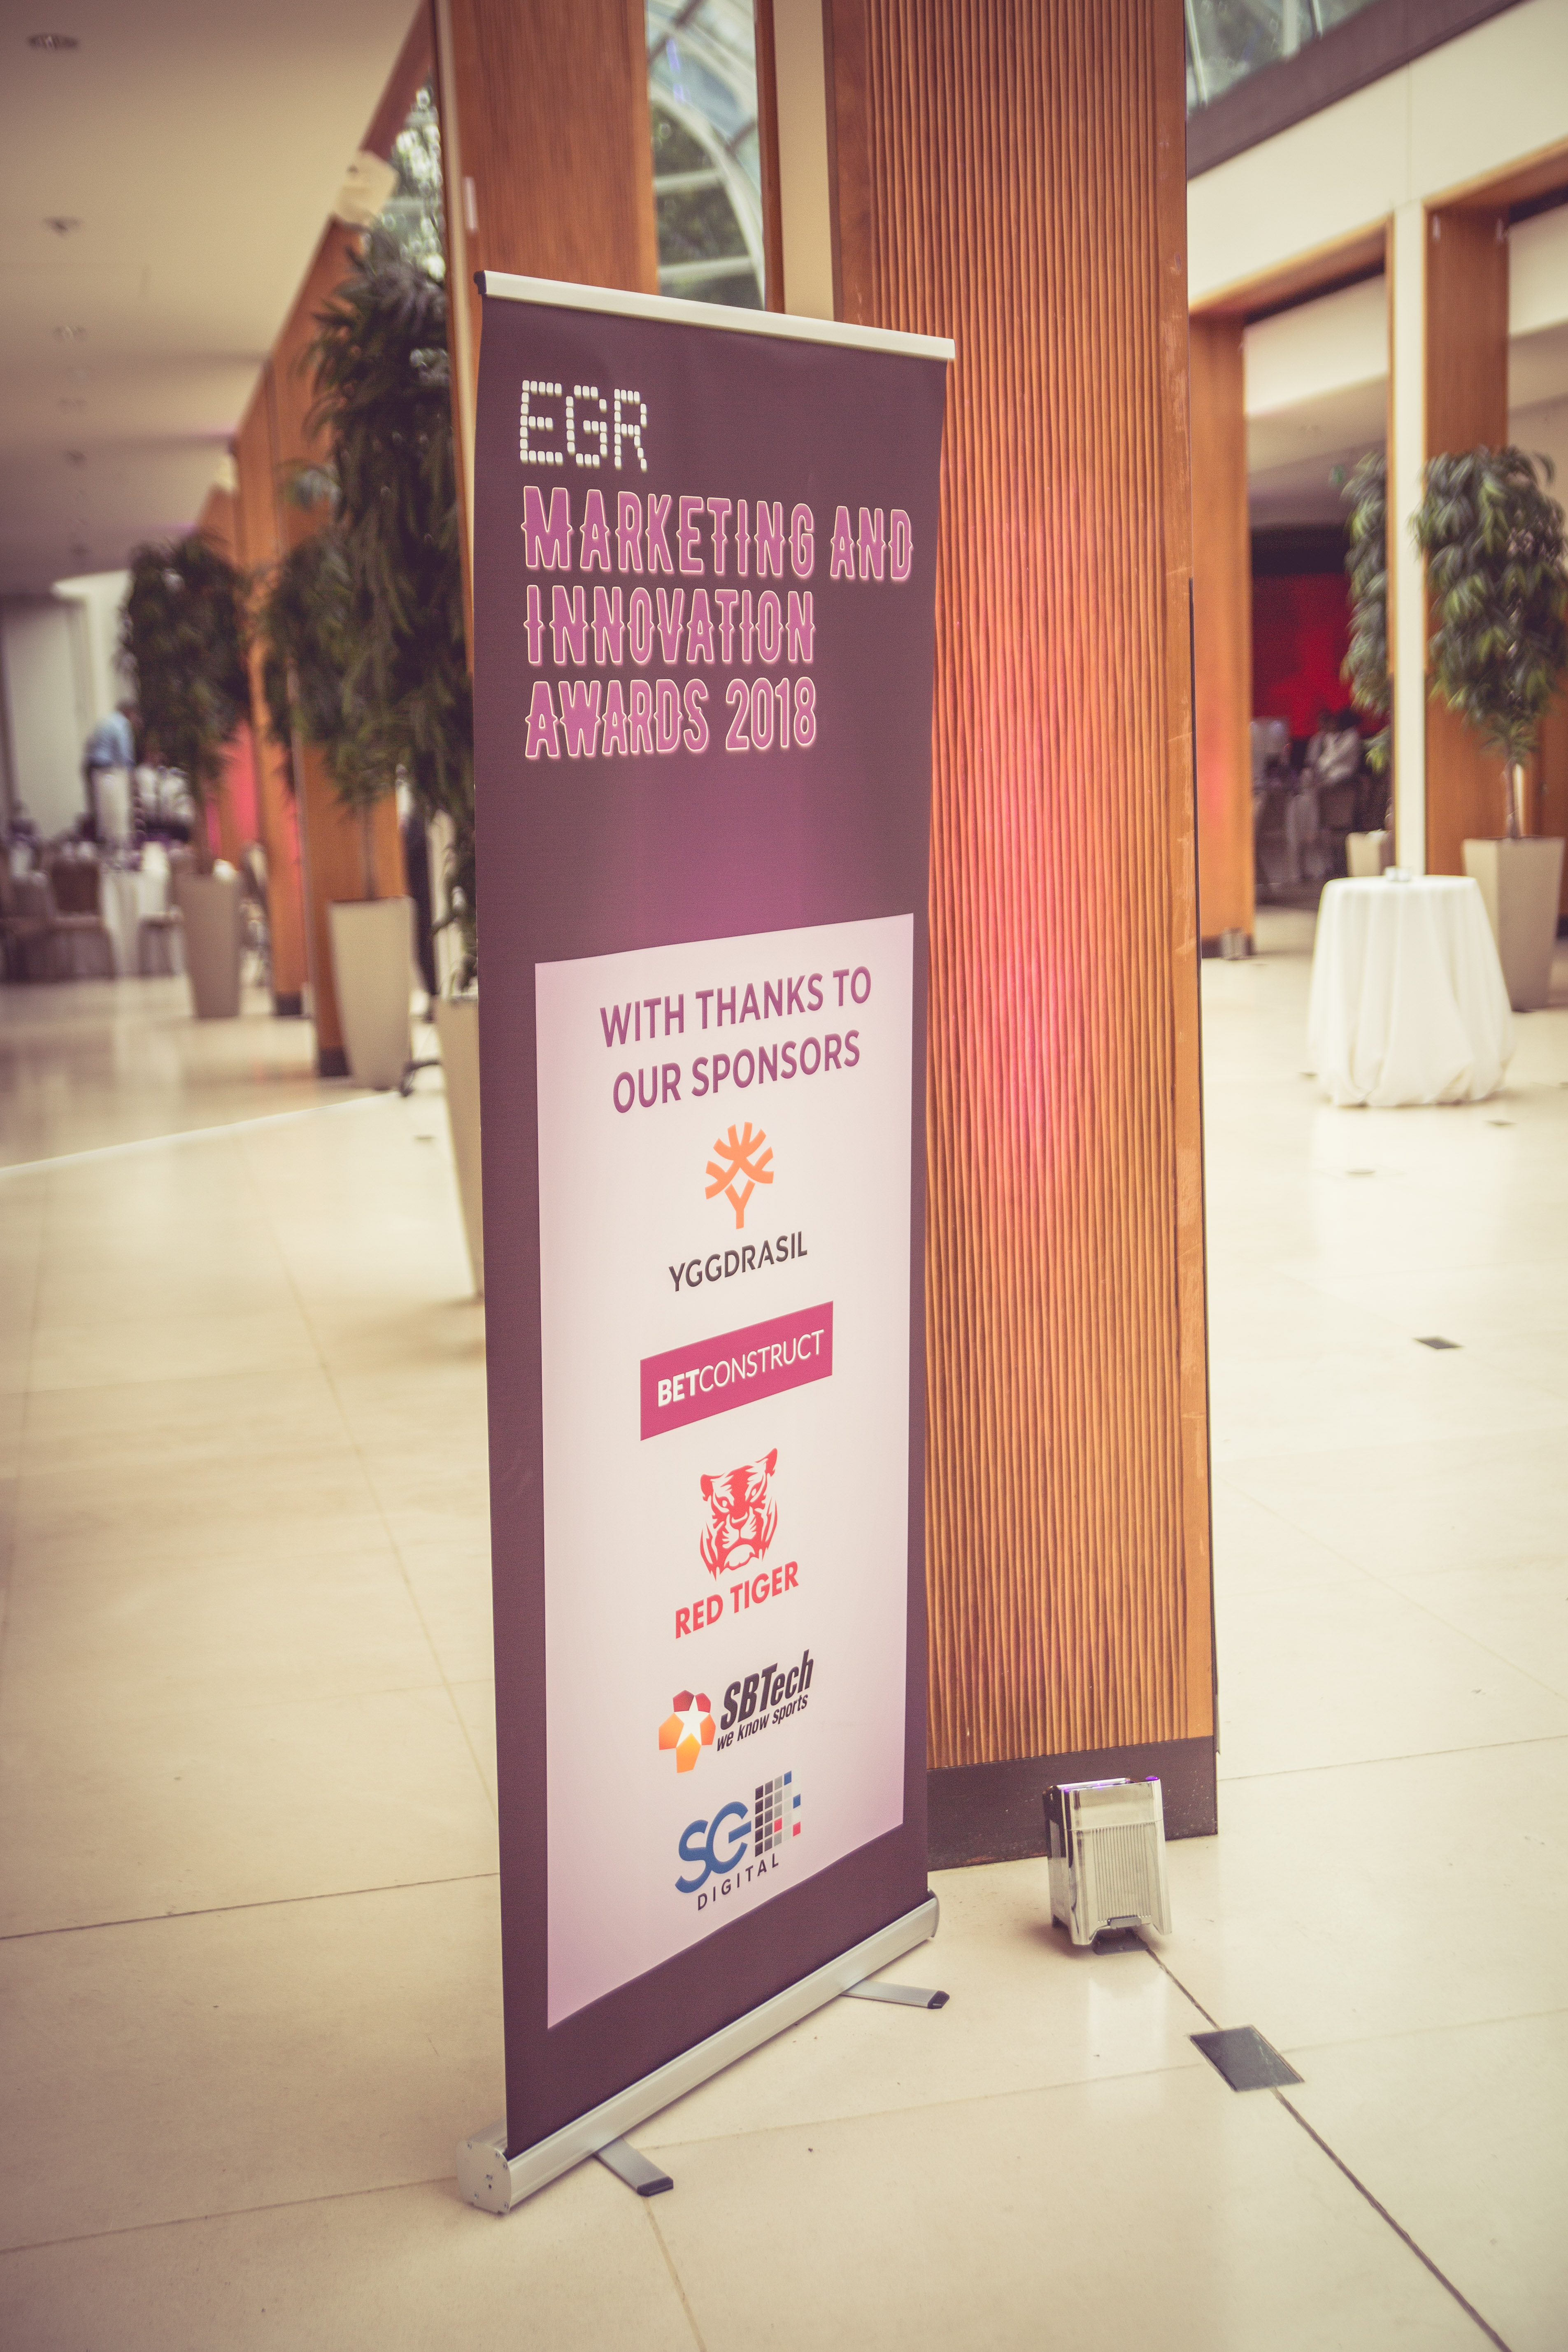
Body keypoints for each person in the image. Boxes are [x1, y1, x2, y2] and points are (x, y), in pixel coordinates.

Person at [83, 703, 137, 844]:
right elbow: (124, 751)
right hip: (104, 768)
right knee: (111, 805)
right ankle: (110, 840)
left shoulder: (107, 720)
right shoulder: (122, 723)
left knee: (98, 807)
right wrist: (130, 771)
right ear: (129, 713)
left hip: (91, 765)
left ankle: (99, 838)